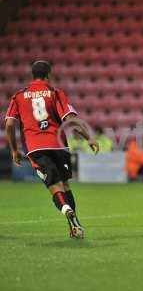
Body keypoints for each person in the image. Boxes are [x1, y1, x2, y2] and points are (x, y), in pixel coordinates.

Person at [4, 60, 99, 239]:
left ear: (32, 75)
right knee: (65, 184)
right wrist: (89, 137)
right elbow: (70, 119)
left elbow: (9, 123)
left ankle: (65, 209)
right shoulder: (55, 93)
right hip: (58, 145)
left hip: (35, 147)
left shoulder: (19, 96)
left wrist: (14, 149)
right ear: (48, 74)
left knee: (54, 186)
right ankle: (74, 226)